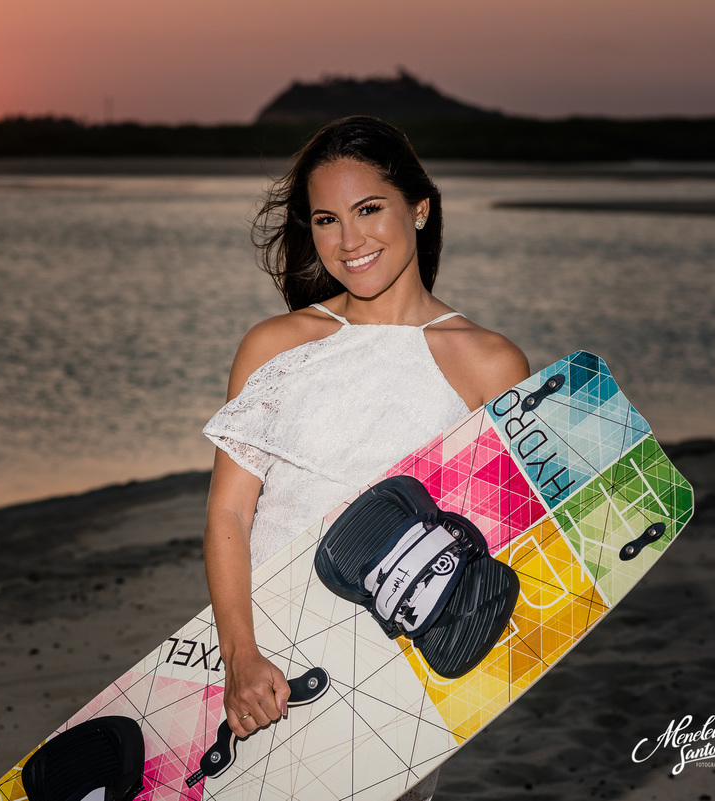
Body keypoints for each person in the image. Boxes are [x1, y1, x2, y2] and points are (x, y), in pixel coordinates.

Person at [201, 116, 530, 800]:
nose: (348, 241)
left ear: (420, 205)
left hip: (397, 668)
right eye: (326, 219)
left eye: (368, 209)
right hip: (263, 650)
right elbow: (229, 514)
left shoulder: (489, 363)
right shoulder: (277, 346)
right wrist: (240, 654)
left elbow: (496, 542)